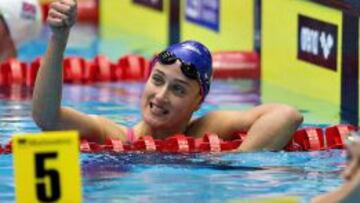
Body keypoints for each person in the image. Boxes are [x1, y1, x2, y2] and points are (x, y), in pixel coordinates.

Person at [32, 0, 303, 152]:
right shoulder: (114, 135)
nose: (161, 96)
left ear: (198, 101)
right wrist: (59, 38)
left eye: (179, 89)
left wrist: (240, 161)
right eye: (157, 80)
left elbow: (287, 115)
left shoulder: (205, 130)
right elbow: (46, 117)